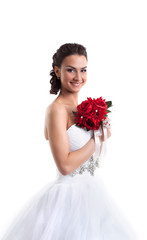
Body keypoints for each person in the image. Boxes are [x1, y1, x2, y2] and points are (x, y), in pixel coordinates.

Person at [1, 43, 137, 240]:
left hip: (92, 193)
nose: (78, 77)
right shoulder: (56, 110)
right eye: (70, 70)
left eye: (83, 70)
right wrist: (98, 138)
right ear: (57, 71)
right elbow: (64, 165)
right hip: (69, 197)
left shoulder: (82, 107)